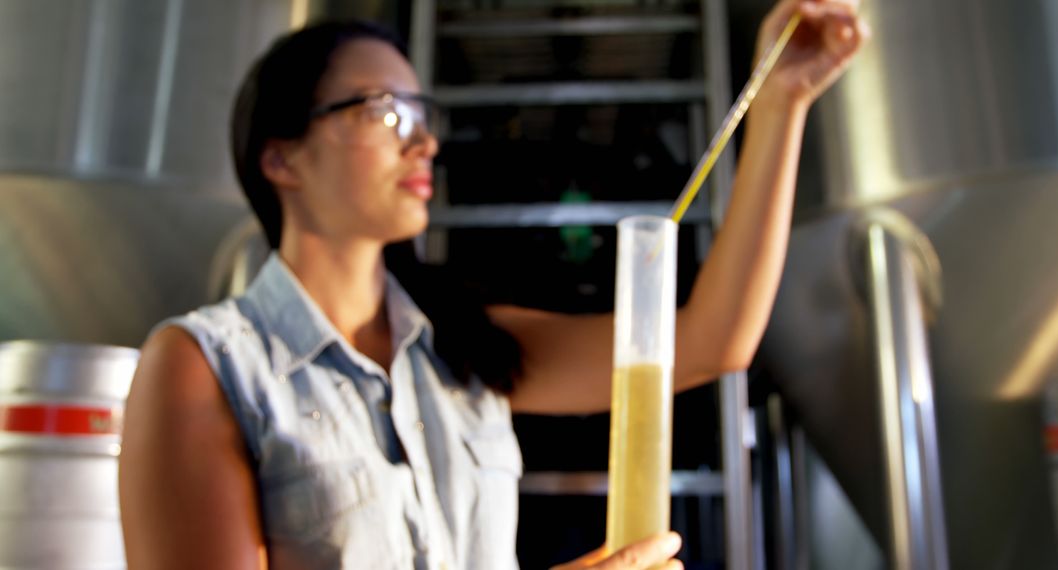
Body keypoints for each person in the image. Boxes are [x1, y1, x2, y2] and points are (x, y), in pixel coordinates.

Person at [118, 1, 867, 568]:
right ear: (280, 158)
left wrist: (780, 105)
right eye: (385, 110)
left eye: (424, 113)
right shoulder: (205, 366)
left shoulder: (466, 346)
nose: (424, 139)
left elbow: (712, 341)